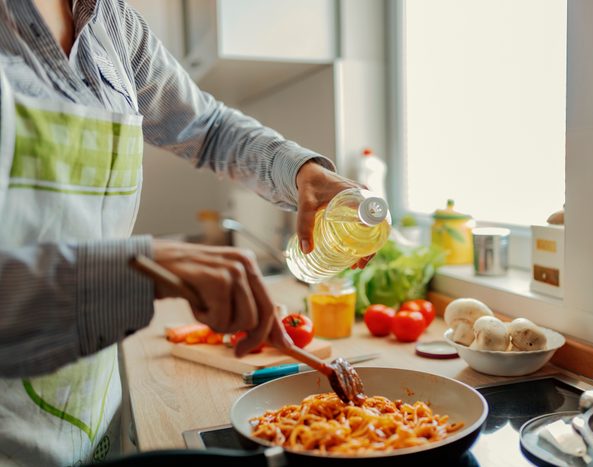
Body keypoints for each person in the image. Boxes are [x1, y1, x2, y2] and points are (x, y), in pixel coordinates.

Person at [0, 1, 371, 465]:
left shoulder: (111, 22)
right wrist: (136, 269)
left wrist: (301, 171)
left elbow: (208, 128)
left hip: (92, 412)